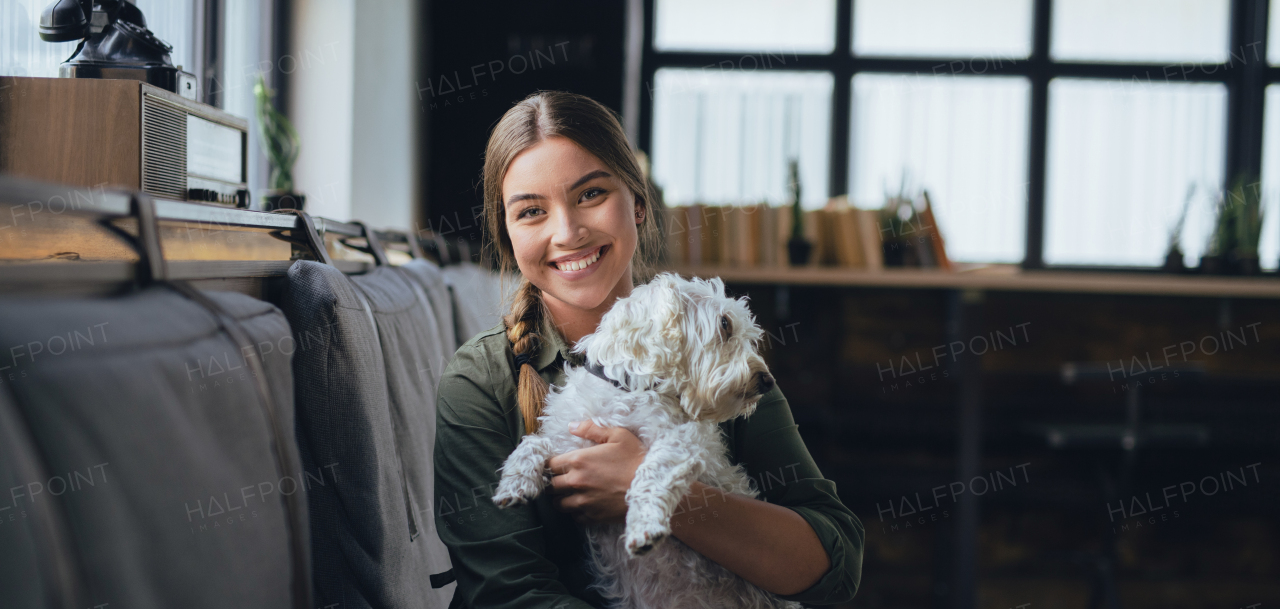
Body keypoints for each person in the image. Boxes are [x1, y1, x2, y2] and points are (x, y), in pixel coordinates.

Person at [432, 90, 864, 608]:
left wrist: (662, 493)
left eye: (590, 194)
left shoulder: (714, 349)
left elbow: (833, 564)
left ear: (637, 204)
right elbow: (507, 595)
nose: (567, 232)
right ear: (507, 233)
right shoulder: (479, 382)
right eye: (531, 211)